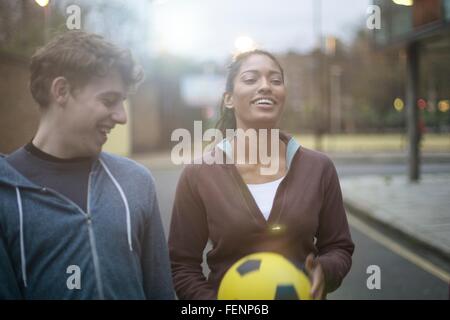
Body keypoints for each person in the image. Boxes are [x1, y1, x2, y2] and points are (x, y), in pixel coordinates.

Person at [0, 31, 174, 299]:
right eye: (109, 100)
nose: (121, 117)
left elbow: (160, 292)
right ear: (61, 91)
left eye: (123, 102)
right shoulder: (5, 193)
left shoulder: (136, 181)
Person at [169, 49, 354, 300]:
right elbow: (182, 265)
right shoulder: (198, 174)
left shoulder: (319, 167)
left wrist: (324, 270)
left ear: (283, 95)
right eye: (251, 79)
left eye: (275, 80)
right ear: (229, 99)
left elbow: (338, 247)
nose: (266, 86)